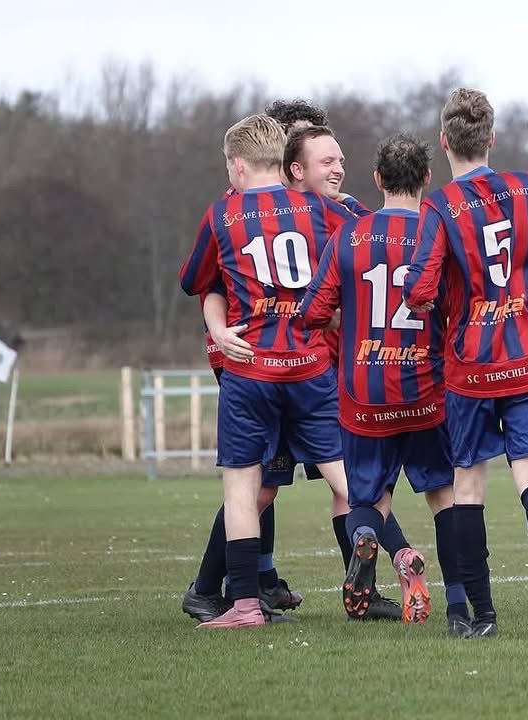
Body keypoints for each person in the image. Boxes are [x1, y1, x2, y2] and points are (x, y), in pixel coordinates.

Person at [403, 88, 528, 636]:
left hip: (470, 367)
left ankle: (478, 614)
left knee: (468, 486)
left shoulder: (438, 205)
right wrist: (527, 289)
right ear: (491, 138)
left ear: (444, 143)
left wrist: (451, 301)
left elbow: (417, 291)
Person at [179, 112, 354, 628]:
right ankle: (396, 553)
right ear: (282, 161)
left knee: (242, 487)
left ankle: (246, 605)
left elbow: (198, 282)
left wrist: (217, 327)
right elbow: (362, 254)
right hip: (309, 364)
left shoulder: (222, 215)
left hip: (250, 366)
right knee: (345, 479)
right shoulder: (320, 210)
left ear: (236, 165)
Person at [303, 132, 470, 636]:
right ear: (426, 179)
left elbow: (313, 312)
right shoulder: (439, 234)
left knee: (366, 502)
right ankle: (459, 605)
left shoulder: (348, 236)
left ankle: (364, 541)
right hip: (425, 390)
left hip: (363, 392)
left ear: (376, 180)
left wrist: (349, 320)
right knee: (444, 495)